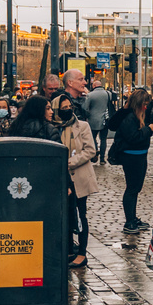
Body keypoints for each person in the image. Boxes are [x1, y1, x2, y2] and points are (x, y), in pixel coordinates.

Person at [52, 93, 96, 269]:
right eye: (63, 108)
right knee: (65, 214)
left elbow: (90, 150)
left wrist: (70, 161)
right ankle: (69, 249)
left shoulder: (82, 126)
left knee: (80, 214)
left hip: (79, 176)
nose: (67, 110)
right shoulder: (53, 128)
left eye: (69, 107)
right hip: (60, 179)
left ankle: (82, 252)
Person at [111, 89, 153, 234]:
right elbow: (133, 137)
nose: (146, 107)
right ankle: (129, 221)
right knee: (132, 188)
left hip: (139, 155)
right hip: (131, 156)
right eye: (144, 104)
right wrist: (149, 129)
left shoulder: (138, 115)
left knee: (136, 188)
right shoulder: (129, 118)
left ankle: (133, 218)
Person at [84, 80, 112, 164]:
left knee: (92, 138)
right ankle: (102, 159)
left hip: (93, 120)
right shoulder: (108, 94)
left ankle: (95, 151)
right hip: (104, 120)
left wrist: (87, 116)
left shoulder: (90, 95)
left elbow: (85, 108)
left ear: (94, 86)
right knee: (103, 139)